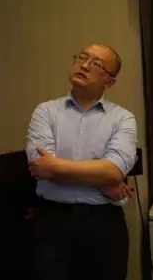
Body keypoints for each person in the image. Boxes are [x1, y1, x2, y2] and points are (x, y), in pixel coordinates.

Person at [26, 43, 137, 280]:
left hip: (104, 225)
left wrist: (56, 167)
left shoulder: (123, 118)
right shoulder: (45, 111)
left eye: (97, 64)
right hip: (53, 222)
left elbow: (114, 171)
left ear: (110, 82)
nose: (84, 65)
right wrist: (101, 181)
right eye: (82, 57)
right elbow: (40, 166)